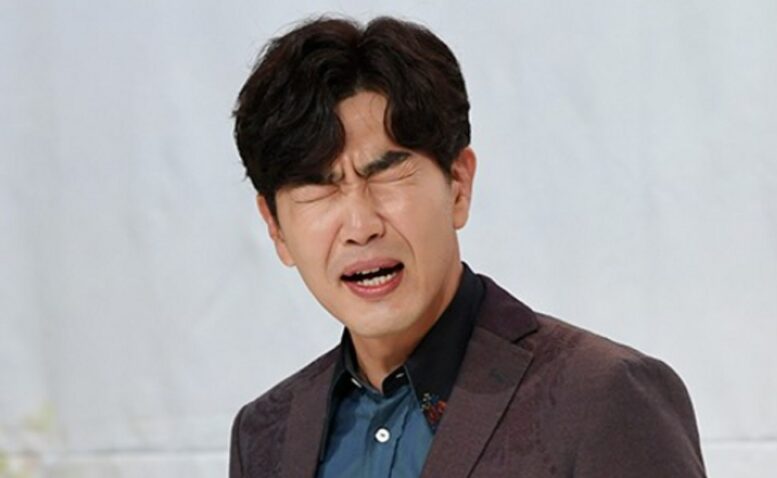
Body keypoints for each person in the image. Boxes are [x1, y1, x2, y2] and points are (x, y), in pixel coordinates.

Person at [228, 15, 706, 478]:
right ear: (276, 228)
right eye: (319, 188)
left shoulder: (601, 397)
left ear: (458, 184)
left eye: (386, 174)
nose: (360, 225)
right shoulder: (265, 435)